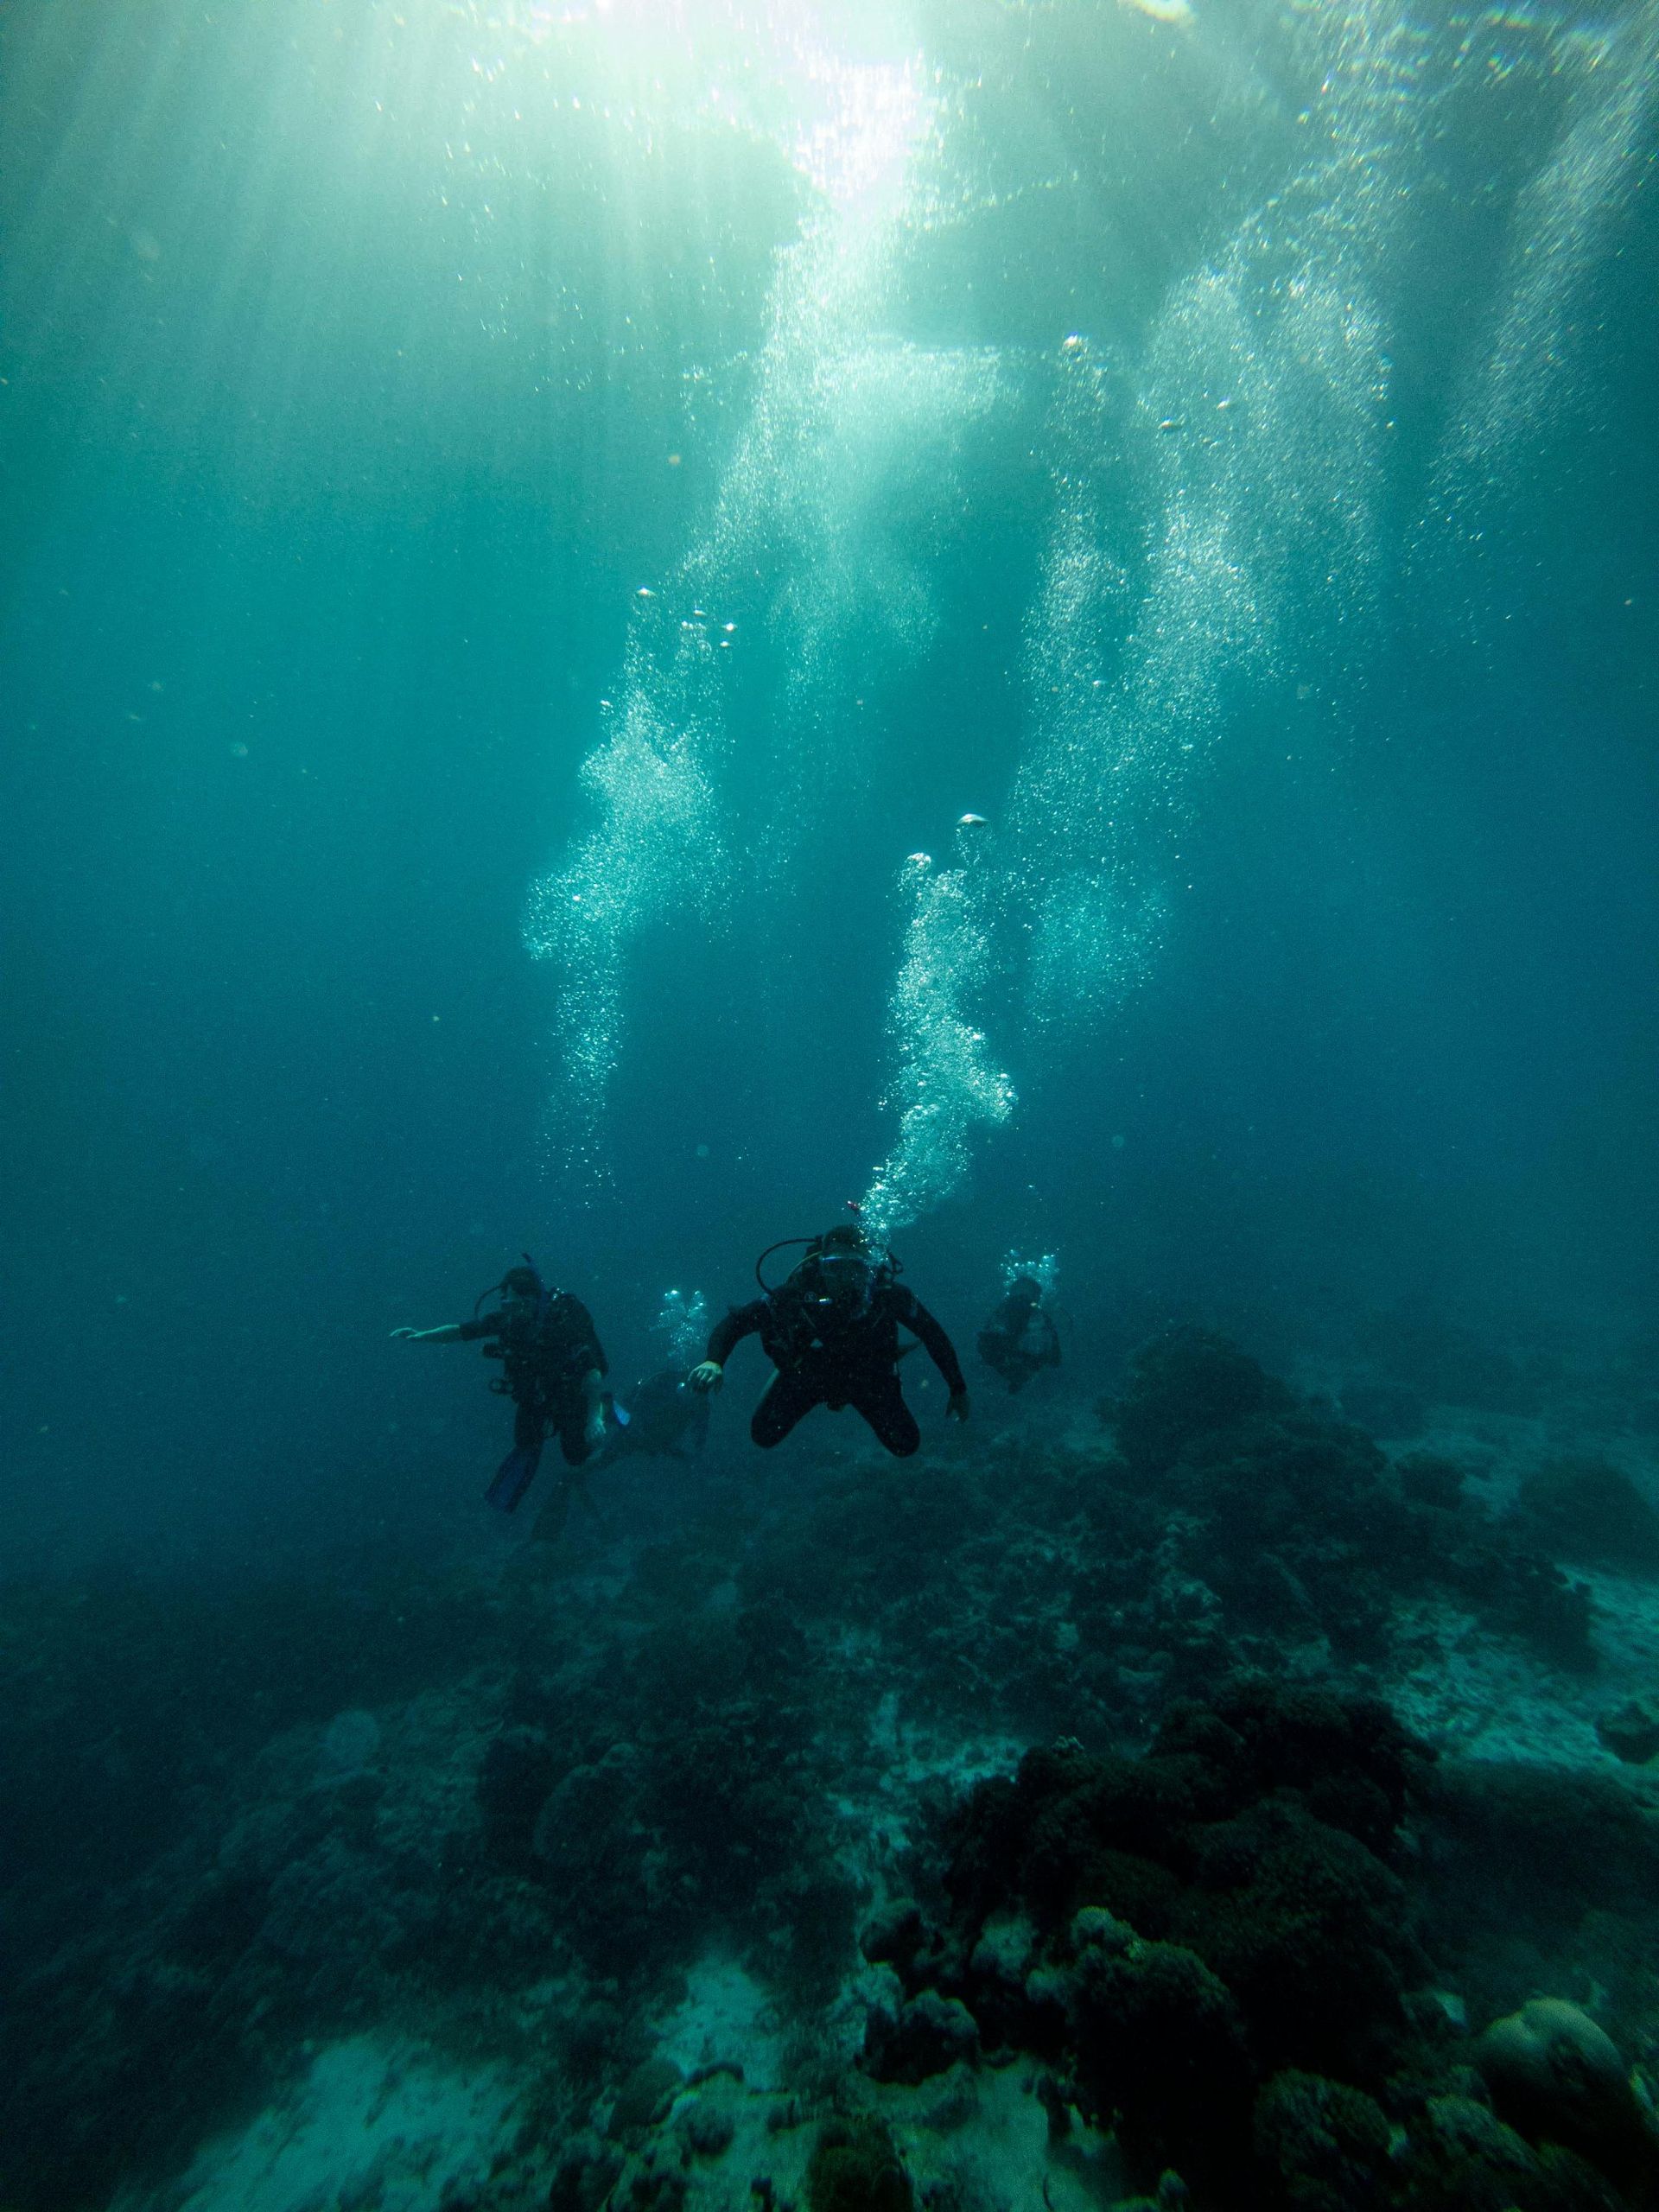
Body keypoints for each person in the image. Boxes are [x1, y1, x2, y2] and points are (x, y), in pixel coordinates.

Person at [688, 1220, 969, 1456]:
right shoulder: (796, 1294)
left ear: (868, 1268)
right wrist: (714, 1361)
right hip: (808, 1376)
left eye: (854, 1267)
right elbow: (737, 1322)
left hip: (870, 1379)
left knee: (905, 1446)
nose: (845, 1277)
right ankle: (783, 1375)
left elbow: (933, 1334)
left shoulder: (889, 1296)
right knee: (763, 1436)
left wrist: (957, 1388)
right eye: (836, 1267)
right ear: (821, 1265)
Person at [391, 1257, 608, 1515]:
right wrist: (421, 1336)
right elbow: (461, 1332)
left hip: (574, 1393)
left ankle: (608, 1412)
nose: (508, 1309)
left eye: (511, 1302)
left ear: (530, 1299)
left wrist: (595, 1418)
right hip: (535, 1394)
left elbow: (592, 1373)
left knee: (575, 1455)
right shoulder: (508, 1320)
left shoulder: (562, 1321)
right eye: (505, 1303)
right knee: (525, 1442)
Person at [606, 1364, 711, 1462]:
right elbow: (640, 1399)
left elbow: (700, 1433)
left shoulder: (701, 1405)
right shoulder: (666, 1381)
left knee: (608, 1455)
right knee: (607, 1455)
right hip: (639, 1431)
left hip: (656, 1439)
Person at [976, 1274, 1061, 1395]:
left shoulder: (1040, 1319)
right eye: (1019, 1293)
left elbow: (1055, 1358)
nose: (1022, 1299)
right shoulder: (1001, 1315)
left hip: (1027, 1369)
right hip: (1007, 1369)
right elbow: (985, 1346)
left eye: (1027, 1295)